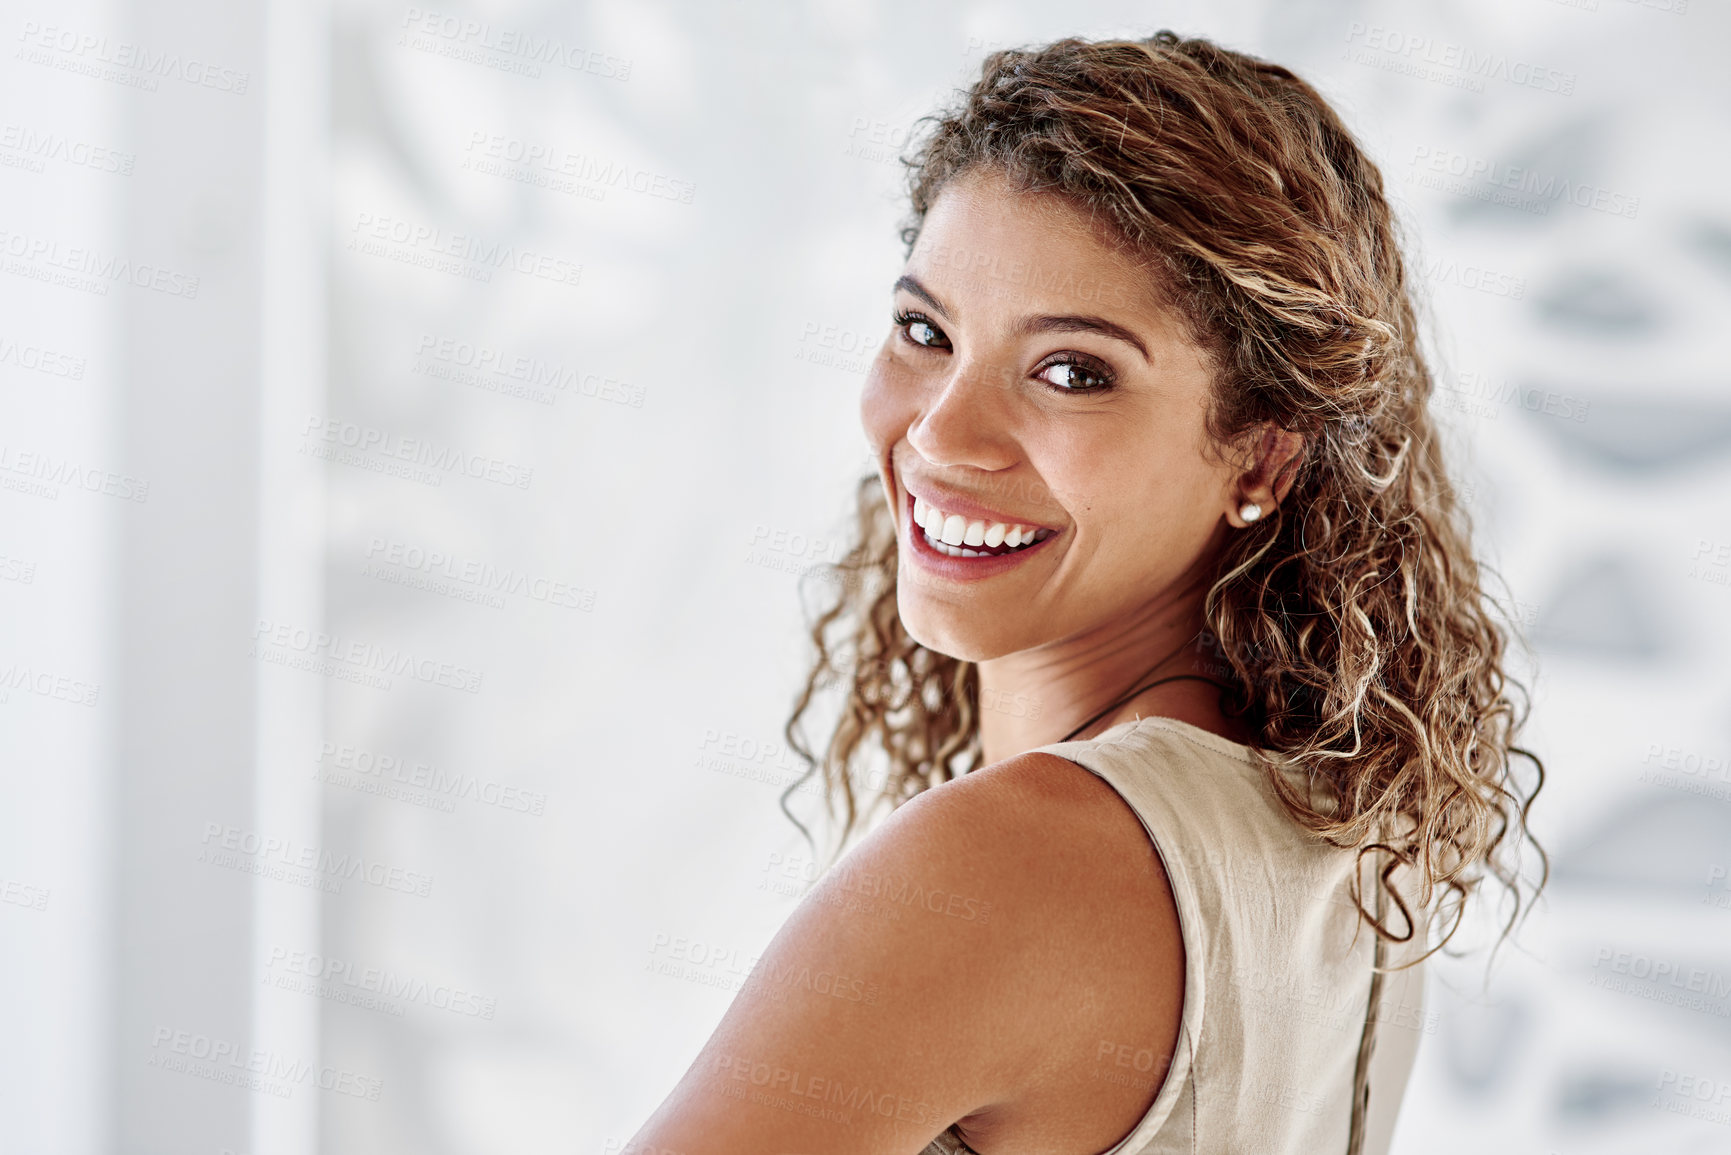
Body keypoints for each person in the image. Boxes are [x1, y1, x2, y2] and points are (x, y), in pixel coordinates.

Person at [629, 30, 1543, 1155]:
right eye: (926, 331)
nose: (941, 431)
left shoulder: (1005, 866)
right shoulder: (1349, 837)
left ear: (1261, 457)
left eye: (1072, 371)